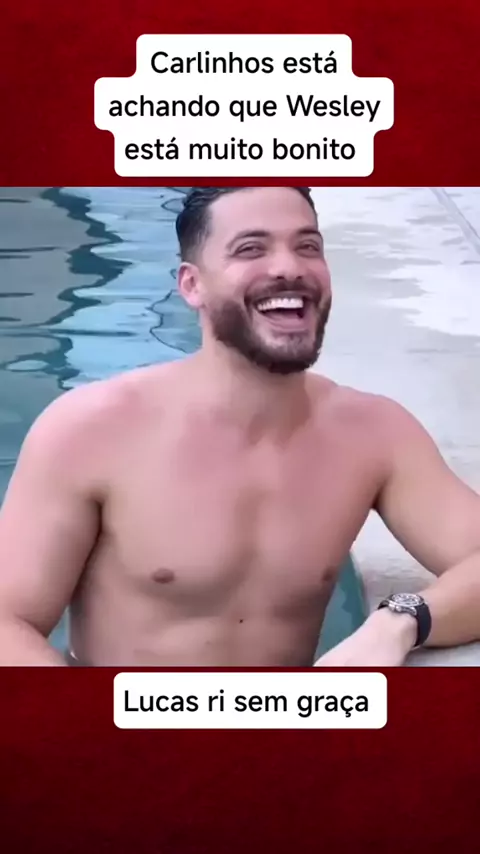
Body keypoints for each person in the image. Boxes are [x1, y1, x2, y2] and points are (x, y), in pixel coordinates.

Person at [1, 185, 480, 667]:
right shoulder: (90, 432)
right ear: (192, 285)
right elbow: (8, 621)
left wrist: (400, 622)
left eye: (307, 246)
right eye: (251, 249)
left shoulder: (372, 434)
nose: (289, 267)